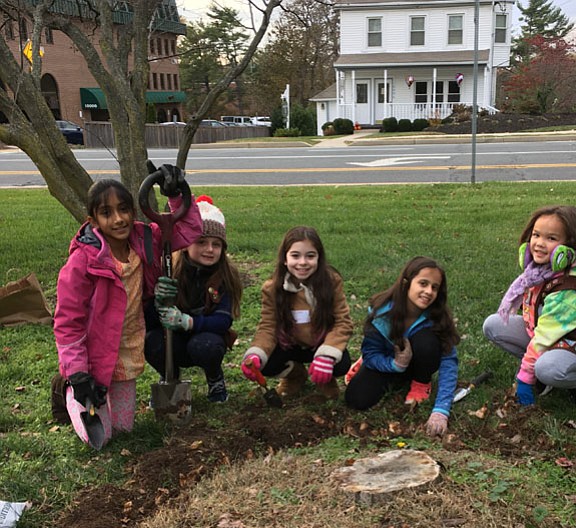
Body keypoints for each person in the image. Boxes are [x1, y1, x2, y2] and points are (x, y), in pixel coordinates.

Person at [53, 167, 203, 448]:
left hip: (128, 346)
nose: (118, 219)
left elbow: (189, 230)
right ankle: (71, 391)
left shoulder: (146, 239)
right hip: (95, 354)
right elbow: (67, 323)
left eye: (124, 210)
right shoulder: (81, 263)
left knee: (125, 430)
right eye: (107, 213)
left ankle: (93, 399)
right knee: (101, 438)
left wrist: (177, 196)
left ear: (134, 212)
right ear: (93, 220)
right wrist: (77, 372)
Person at [483, 205, 576, 408]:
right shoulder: (541, 271)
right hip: (549, 335)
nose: (539, 244)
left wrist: (525, 378)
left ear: (569, 248)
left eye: (551, 238)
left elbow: (544, 336)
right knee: (494, 325)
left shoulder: (573, 288)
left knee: (547, 369)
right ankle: (542, 370)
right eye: (536, 235)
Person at [344, 256, 460, 438]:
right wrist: (394, 364)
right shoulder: (381, 313)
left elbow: (448, 362)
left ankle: (421, 383)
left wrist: (441, 410)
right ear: (406, 283)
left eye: (434, 287)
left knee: (426, 341)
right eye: (423, 283)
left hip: (418, 363)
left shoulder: (438, 318)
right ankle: (378, 370)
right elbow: (371, 353)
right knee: (356, 399)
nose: (428, 291)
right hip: (389, 360)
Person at [145, 195, 242, 402]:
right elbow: (150, 320)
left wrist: (189, 322)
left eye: (216, 244)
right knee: (152, 341)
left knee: (205, 347)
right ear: (187, 244)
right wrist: (157, 302)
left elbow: (223, 320)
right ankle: (170, 375)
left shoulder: (224, 277)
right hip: (175, 342)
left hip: (205, 337)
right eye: (201, 242)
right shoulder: (170, 271)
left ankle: (215, 377)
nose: (209, 249)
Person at [240, 226, 353, 399]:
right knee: (267, 363)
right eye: (295, 255)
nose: (302, 262)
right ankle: (294, 374)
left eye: (310, 256)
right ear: (285, 259)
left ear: (319, 258)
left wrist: (327, 355)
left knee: (341, 362)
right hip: (290, 344)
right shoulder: (272, 288)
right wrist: (256, 353)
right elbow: (268, 326)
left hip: (321, 342)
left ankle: (325, 377)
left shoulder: (331, 282)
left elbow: (342, 322)